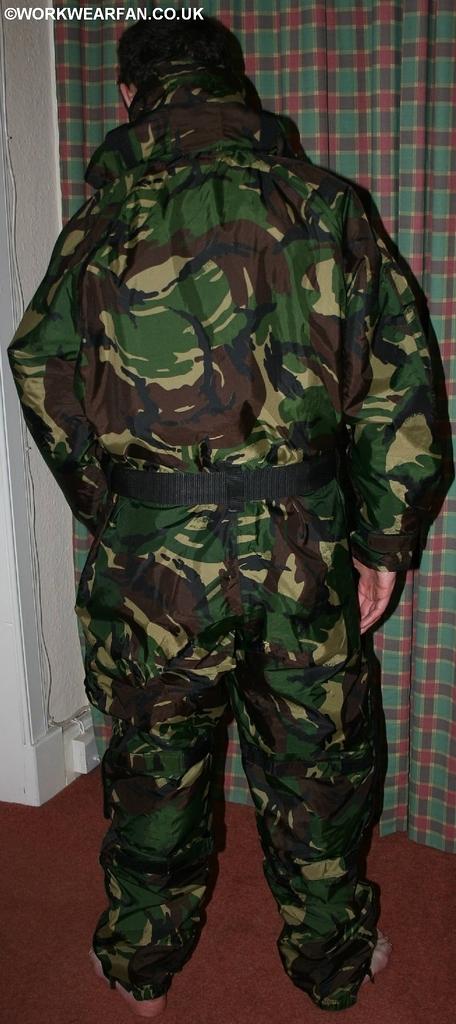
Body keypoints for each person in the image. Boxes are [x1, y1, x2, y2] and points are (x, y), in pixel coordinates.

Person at [7, 14, 443, 1019]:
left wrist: (111, 505)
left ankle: (142, 968)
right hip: (307, 544)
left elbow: (41, 370)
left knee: (156, 764)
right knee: (318, 765)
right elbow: (401, 384)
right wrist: (385, 541)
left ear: (131, 96)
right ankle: (333, 963)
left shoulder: (102, 222)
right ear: (234, 85)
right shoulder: (329, 205)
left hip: (154, 555)